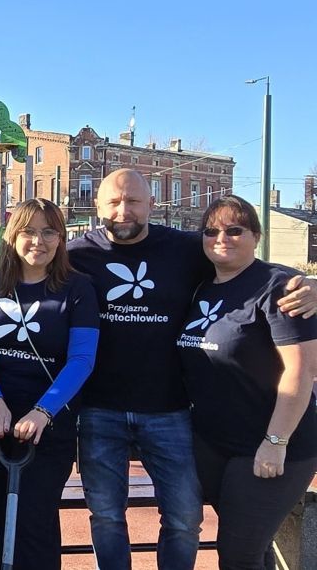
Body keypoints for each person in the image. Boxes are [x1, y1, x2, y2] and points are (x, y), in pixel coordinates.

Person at [0, 169, 315, 569]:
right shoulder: (75, 256)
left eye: (132, 201)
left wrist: (306, 282)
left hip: (169, 409)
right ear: (98, 208)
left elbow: (240, 258)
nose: (123, 210)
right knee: (107, 518)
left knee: (184, 519)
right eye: (113, 202)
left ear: (151, 204)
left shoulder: (185, 247)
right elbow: (13, 296)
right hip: (99, 411)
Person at [177, 195, 317, 568]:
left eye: (234, 229)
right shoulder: (202, 286)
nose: (221, 237)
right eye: (211, 231)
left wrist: (276, 441)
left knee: (238, 551)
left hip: (270, 445)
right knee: (249, 548)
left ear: (256, 235)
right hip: (215, 443)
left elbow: (300, 371)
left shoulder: (279, 288)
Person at [0, 199, 99, 569]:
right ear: (13, 236)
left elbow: (82, 360)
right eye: (28, 231)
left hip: (46, 423)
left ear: (59, 238)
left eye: (48, 231)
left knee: (34, 522)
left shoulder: (78, 289)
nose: (38, 240)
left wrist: (43, 411)